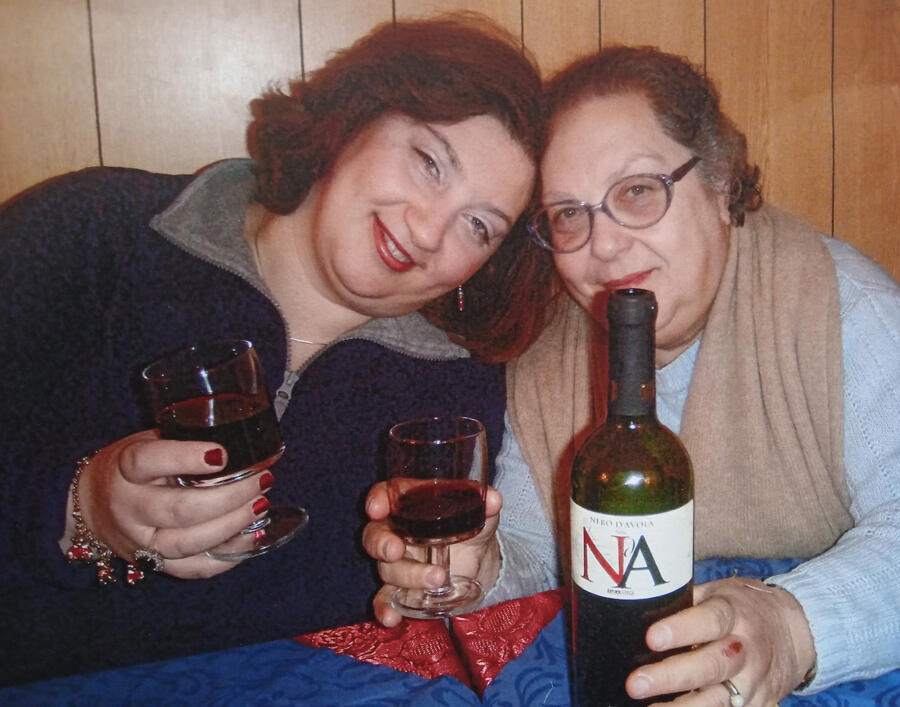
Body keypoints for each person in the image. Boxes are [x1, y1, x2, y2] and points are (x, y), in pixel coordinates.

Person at [0, 14, 553, 685]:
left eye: (478, 225)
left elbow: (451, 607)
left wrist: (450, 587)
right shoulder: (88, 235)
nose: (430, 231)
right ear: (355, 115)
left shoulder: (458, 387)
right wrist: (81, 510)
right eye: (429, 161)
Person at [364, 46, 900, 703]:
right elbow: (540, 554)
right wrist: (482, 568)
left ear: (723, 183)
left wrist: (791, 625)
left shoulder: (838, 308)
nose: (605, 244)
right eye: (568, 215)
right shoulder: (548, 357)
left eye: (638, 191)